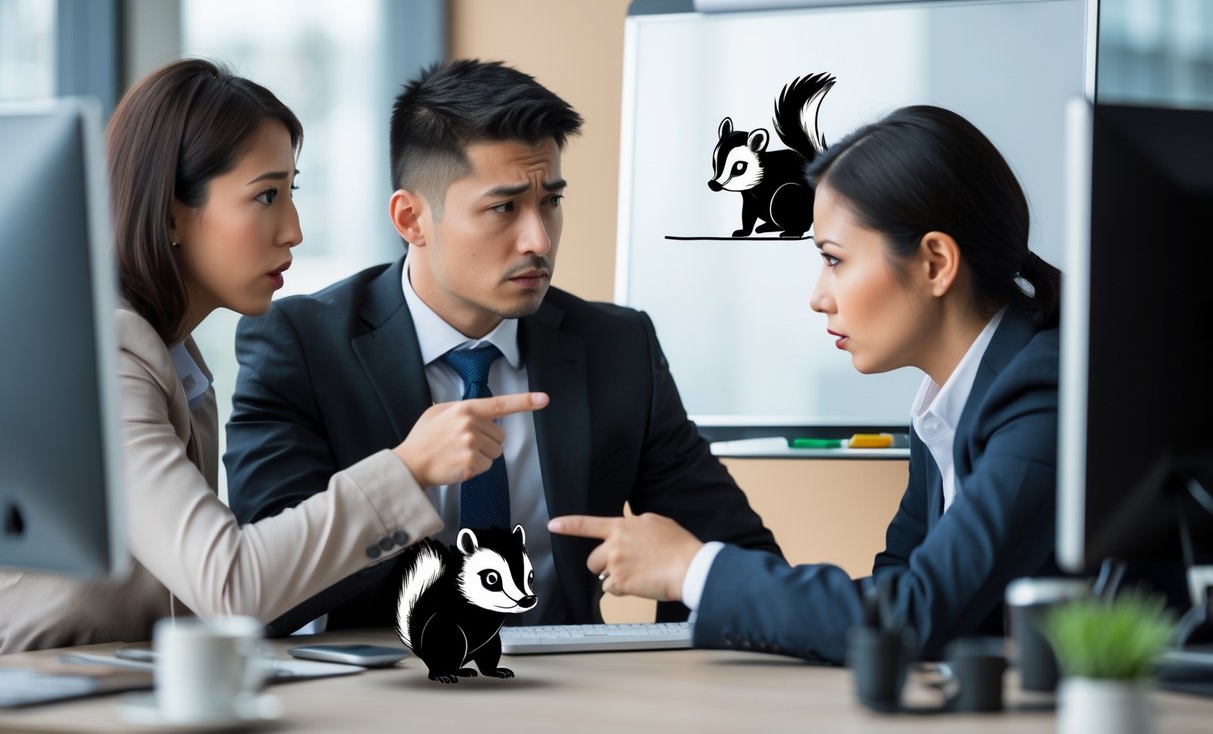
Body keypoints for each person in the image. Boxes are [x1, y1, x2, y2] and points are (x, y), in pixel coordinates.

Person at [224, 58, 780, 633]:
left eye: (551, 202)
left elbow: (734, 556)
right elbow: (266, 590)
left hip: (569, 699)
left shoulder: (618, 347)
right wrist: (405, 474)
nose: (538, 239)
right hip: (381, 694)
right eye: (503, 207)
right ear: (412, 219)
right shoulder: (302, 345)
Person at [0, 59, 527, 653]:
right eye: (266, 196)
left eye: (292, 191)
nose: (294, 230)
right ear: (172, 213)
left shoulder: (173, 356)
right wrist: (409, 469)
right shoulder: (110, 359)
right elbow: (230, 583)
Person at [550, 105, 1064, 663]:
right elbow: (894, 591)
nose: (818, 296)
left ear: (936, 263)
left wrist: (692, 569)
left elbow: (915, 614)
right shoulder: (943, 407)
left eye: (834, 260)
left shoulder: (1042, 390)